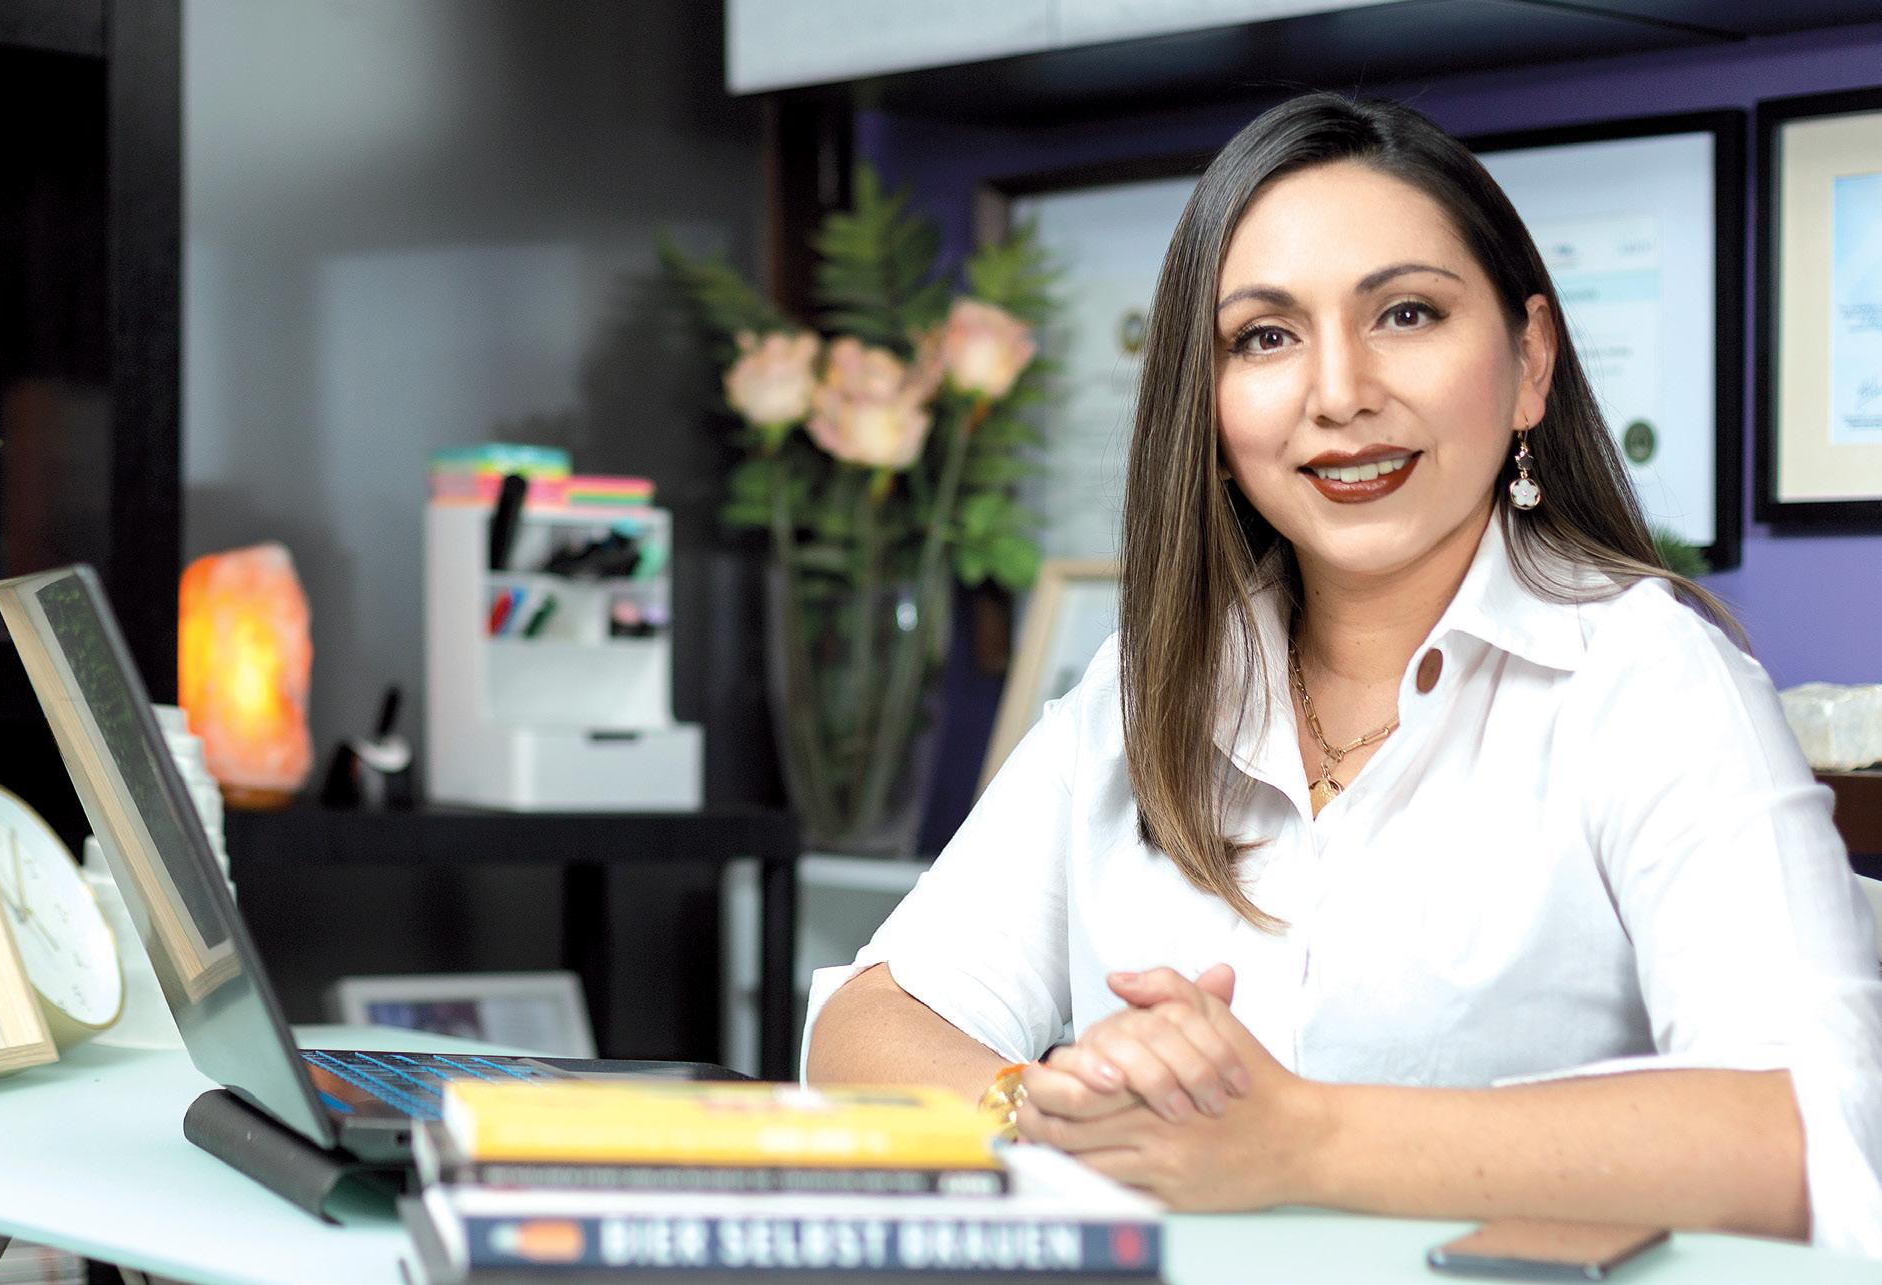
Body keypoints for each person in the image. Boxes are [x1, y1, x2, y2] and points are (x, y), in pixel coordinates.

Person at [802, 93, 1882, 1255]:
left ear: (1528, 362)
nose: (1338, 392)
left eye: (1405, 313)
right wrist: (1056, 1115)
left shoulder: (1650, 678)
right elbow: (868, 1023)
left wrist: (1298, 1141)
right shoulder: (1143, 689)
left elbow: (1807, 1133)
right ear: (1208, 405)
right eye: (1264, 337)